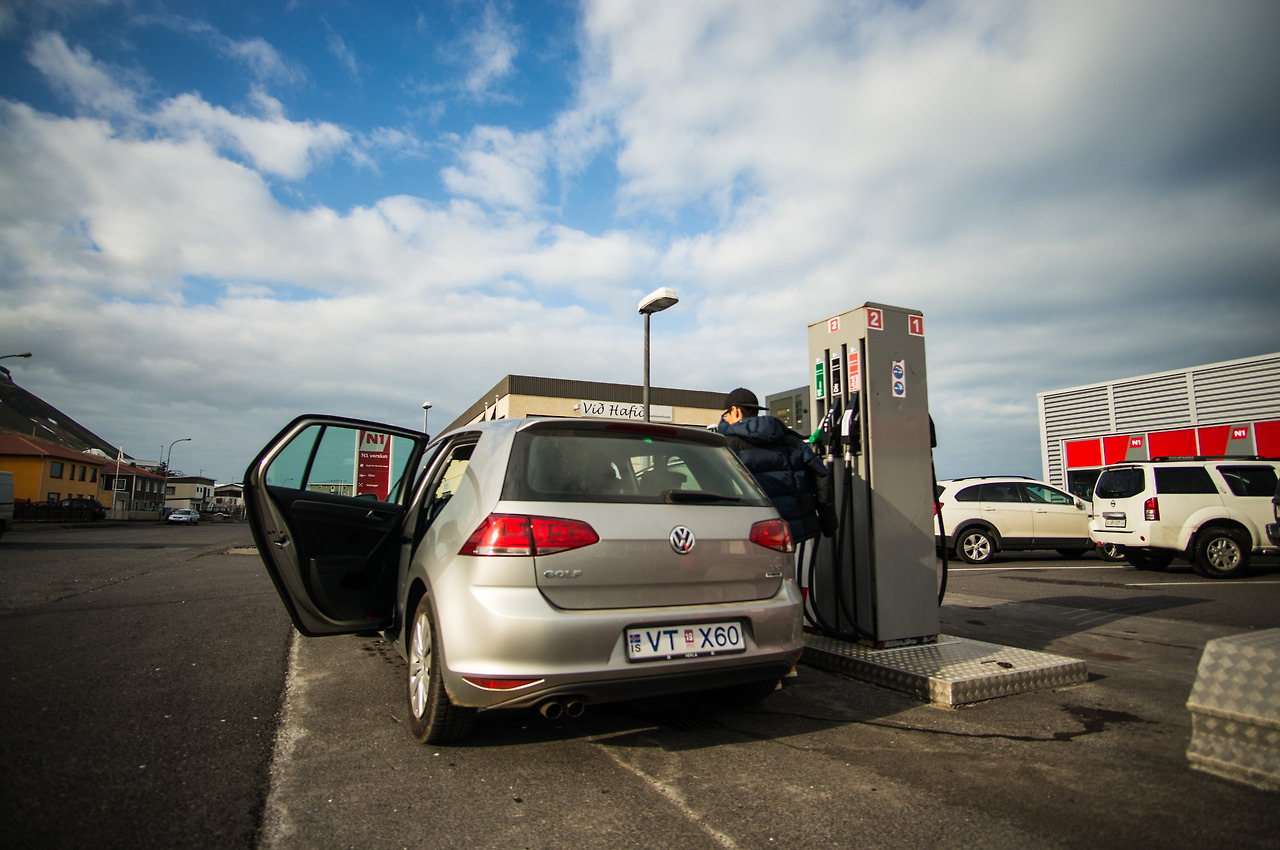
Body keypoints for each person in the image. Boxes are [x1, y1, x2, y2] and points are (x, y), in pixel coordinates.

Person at [717, 387, 836, 543]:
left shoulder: (728, 445)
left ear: (735, 411)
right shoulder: (792, 440)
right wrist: (828, 523)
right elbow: (821, 475)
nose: (726, 420)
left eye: (726, 415)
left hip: (754, 530)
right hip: (795, 529)